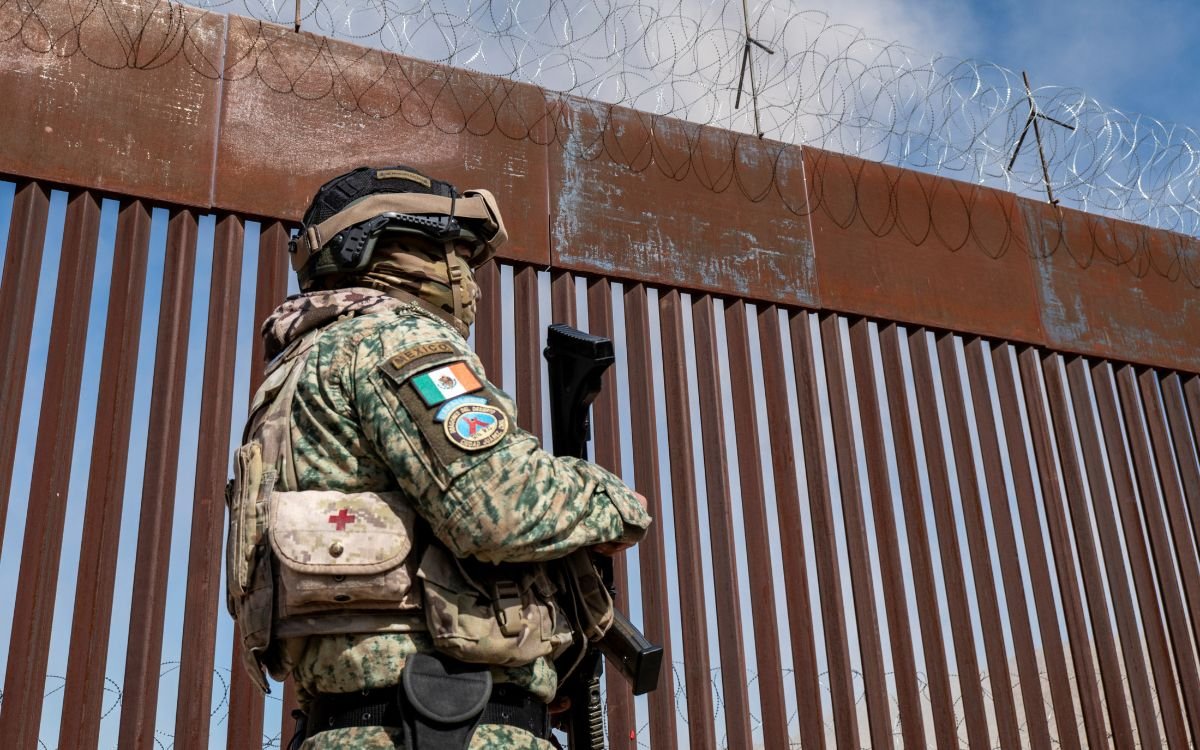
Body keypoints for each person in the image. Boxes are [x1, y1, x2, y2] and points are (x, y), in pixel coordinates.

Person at [224, 165, 651, 750]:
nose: (471, 283)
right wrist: (611, 500)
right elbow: (497, 506)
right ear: (403, 249)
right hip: (442, 725)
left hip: (356, 724)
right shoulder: (394, 338)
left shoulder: (296, 368)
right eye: (460, 257)